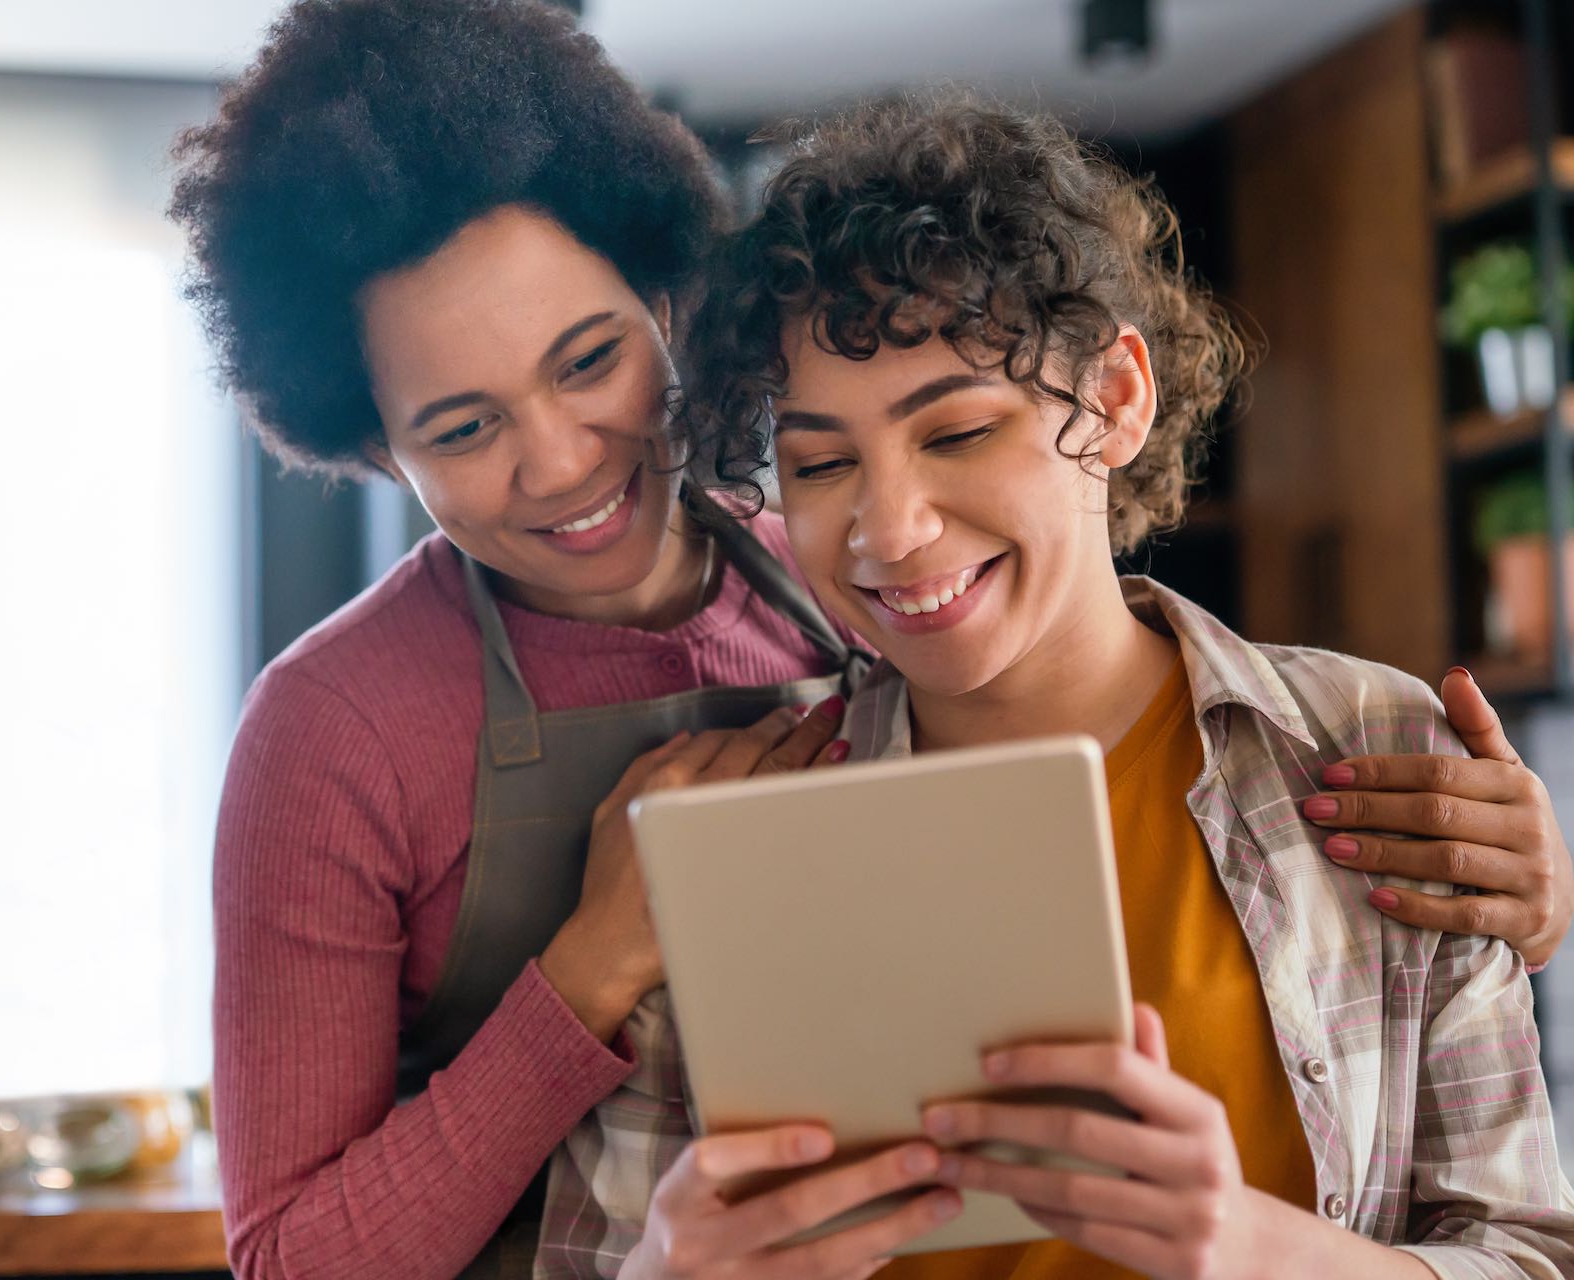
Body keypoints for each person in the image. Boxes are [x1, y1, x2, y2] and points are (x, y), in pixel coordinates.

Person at [174, 4, 1574, 1275]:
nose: (556, 460)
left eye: (590, 358)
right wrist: (594, 972)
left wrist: (1529, 897)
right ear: (374, 447)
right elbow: (309, 1256)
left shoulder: (859, 588)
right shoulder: (353, 737)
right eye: (461, 428)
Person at [574, 92, 1574, 1280]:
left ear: (1114, 401)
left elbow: (1525, 1252)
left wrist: (1252, 1248)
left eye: (954, 433)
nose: (887, 530)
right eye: (822, 461)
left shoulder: (1368, 745)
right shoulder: (730, 828)